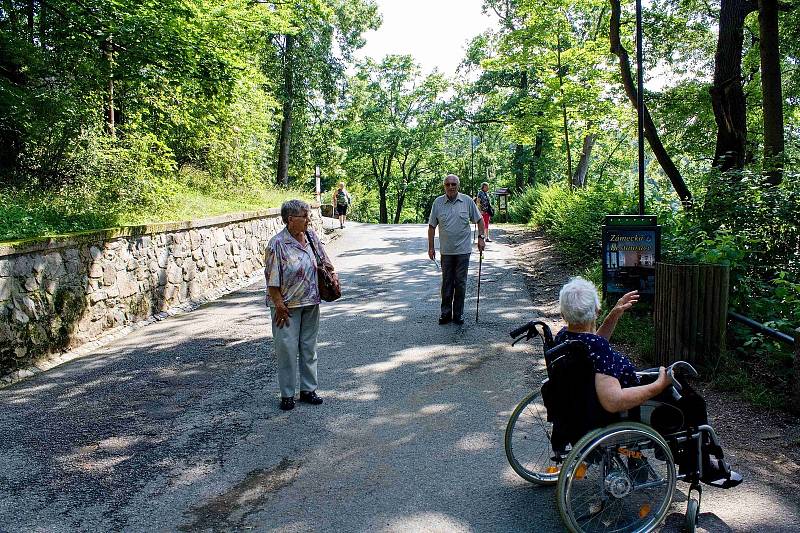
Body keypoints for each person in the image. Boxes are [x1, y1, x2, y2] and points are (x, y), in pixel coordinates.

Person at [554, 276, 742, 487]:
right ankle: (697, 465)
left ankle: (660, 458)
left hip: (583, 406)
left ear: (563, 314)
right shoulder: (595, 349)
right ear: (596, 311)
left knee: (675, 379)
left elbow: (594, 348)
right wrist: (658, 386)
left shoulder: (565, 339)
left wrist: (615, 314)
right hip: (619, 411)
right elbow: (613, 401)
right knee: (692, 403)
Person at [265, 199, 337, 411]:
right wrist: (278, 304)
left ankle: (308, 389)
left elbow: (325, 262)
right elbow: (271, 278)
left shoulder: (312, 237)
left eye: (308, 216)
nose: (308, 220)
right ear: (290, 220)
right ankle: (287, 394)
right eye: (304, 216)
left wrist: (330, 276)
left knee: (309, 347)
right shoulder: (277, 244)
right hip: (286, 306)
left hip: (311, 301)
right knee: (286, 349)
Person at [427, 174, 486, 326]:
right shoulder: (438, 203)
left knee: (460, 283)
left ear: (458, 185)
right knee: (447, 283)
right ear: (444, 186)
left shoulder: (466, 201)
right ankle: (445, 313)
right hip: (446, 251)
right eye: (448, 184)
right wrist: (431, 247)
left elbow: (479, 220)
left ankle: (458, 314)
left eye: (454, 184)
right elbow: (432, 226)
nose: (451, 187)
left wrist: (481, 237)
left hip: (463, 251)